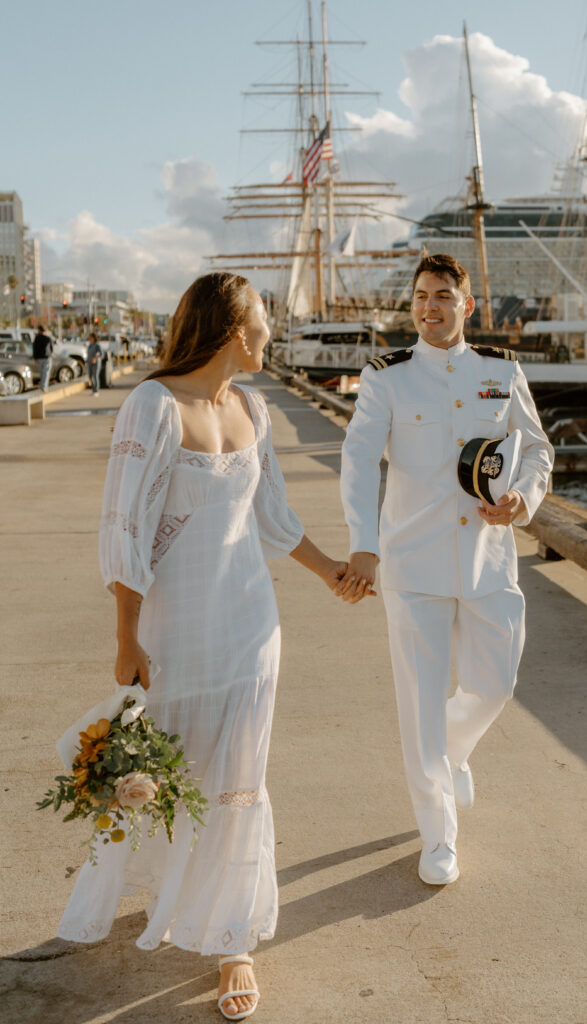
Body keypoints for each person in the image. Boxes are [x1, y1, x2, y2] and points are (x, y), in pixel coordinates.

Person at [57, 272, 348, 1021]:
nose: (270, 335)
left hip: (250, 625)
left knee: (239, 777)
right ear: (230, 328)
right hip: (174, 626)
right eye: (263, 322)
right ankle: (173, 893)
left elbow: (274, 520)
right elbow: (122, 528)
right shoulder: (152, 405)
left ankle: (233, 938)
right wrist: (125, 638)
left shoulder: (254, 406)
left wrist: (333, 576)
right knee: (164, 772)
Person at [338, 253, 554, 886]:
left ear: (467, 305)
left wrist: (524, 500)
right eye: (421, 296)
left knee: (495, 684)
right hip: (413, 563)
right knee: (421, 706)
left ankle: (452, 752)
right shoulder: (388, 378)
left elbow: (537, 447)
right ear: (413, 305)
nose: (430, 307)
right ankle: (438, 836)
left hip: (489, 560)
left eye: (443, 296)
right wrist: (363, 543)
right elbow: (358, 463)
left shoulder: (500, 370)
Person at [32, 325, 53, 392]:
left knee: (42, 373)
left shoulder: (37, 338)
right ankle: (44, 386)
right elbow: (51, 349)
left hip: (39, 358)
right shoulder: (48, 338)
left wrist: (35, 358)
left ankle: (43, 386)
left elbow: (34, 348)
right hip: (47, 357)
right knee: (46, 372)